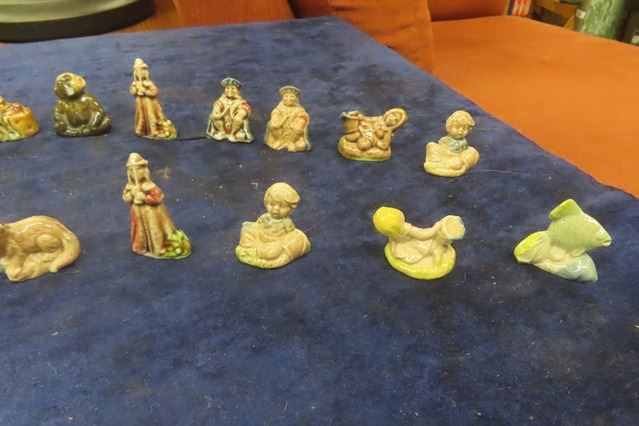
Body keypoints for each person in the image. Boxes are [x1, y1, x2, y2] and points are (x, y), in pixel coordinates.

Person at [122, 153, 191, 259]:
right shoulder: (130, 187)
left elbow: (158, 197)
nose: (135, 173)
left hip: (152, 213)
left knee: (156, 229)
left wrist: (145, 198)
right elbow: (125, 197)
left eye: (138, 169)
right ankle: (140, 247)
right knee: (139, 231)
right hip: (137, 213)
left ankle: (158, 247)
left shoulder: (150, 186)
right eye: (131, 170)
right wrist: (132, 194)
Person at [236, 182, 310, 268]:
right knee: (246, 228)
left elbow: (291, 234)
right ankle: (249, 247)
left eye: (283, 207)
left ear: (291, 209)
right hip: (261, 235)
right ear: (266, 203)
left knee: (272, 252)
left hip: (275, 241)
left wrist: (284, 243)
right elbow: (258, 224)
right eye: (271, 204)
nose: (276, 209)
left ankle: (261, 253)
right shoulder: (265, 216)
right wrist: (252, 227)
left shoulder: (286, 222)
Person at [129, 58, 177, 140]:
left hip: (150, 103)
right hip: (140, 103)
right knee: (141, 116)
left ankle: (154, 130)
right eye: (137, 71)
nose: (139, 73)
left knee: (152, 116)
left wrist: (145, 92)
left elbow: (154, 92)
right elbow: (132, 92)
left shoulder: (149, 83)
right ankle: (141, 130)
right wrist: (135, 90)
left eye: (141, 71)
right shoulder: (135, 83)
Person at [338, 108, 407, 161]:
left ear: (396, 125)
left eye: (396, 120)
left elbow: (384, 144)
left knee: (363, 145)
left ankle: (360, 142)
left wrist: (378, 142)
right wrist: (362, 117)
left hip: (370, 139)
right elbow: (369, 119)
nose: (392, 119)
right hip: (363, 131)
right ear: (388, 113)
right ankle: (354, 128)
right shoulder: (379, 119)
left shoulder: (387, 131)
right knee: (349, 138)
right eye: (393, 115)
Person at [424, 110, 479, 177]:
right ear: (448, 127)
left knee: (471, 153)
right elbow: (440, 146)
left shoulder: (463, 143)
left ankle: (445, 166)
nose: (460, 131)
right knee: (431, 145)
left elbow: (456, 151)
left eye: (464, 129)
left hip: (454, 158)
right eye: (457, 127)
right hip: (443, 155)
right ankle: (436, 163)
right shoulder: (445, 138)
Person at [264, 86, 310, 152]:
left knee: (301, 144)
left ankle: (291, 142)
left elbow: (299, 126)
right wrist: (280, 120)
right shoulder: (278, 109)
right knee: (270, 124)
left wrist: (294, 123)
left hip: (293, 135)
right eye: (286, 96)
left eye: (291, 96)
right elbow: (274, 123)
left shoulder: (300, 111)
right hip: (279, 133)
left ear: (296, 98)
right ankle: (279, 141)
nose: (288, 98)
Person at [207, 77, 252, 142]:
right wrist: (222, 111)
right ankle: (222, 132)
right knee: (213, 117)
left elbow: (242, 113)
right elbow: (215, 113)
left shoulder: (241, 102)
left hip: (235, 125)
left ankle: (233, 134)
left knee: (238, 119)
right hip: (223, 123)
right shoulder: (220, 101)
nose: (230, 90)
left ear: (237, 91)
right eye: (227, 88)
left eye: (233, 88)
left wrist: (237, 114)